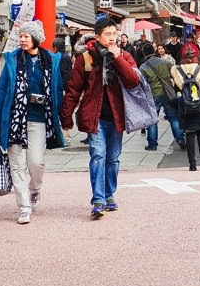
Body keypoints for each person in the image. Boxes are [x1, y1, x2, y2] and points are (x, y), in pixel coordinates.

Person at [61, 16, 142, 219]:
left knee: (113, 159)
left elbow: (133, 81)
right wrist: (66, 117)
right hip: (94, 116)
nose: (112, 38)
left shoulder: (124, 55)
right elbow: (73, 89)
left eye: (114, 34)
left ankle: (108, 194)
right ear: (97, 37)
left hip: (116, 116)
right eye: (108, 34)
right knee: (98, 155)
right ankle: (98, 199)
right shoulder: (85, 59)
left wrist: (118, 58)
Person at [0, 21, 65, 224]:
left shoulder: (50, 60)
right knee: (17, 165)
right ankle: (24, 207)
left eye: (26, 36)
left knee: (36, 162)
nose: (22, 39)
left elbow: (57, 91)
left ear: (36, 39)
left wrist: (62, 117)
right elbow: (2, 92)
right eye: (20, 36)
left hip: (39, 119)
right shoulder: (12, 60)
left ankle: (35, 189)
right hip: (15, 119)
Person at [139, 41, 186, 151]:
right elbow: (174, 74)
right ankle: (180, 139)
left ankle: (152, 144)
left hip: (153, 95)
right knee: (173, 117)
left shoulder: (143, 67)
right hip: (168, 94)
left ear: (144, 53)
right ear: (154, 51)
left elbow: (143, 84)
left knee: (152, 120)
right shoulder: (165, 62)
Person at [172, 43, 200, 170]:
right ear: (196, 55)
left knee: (189, 133)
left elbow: (176, 90)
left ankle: (192, 164)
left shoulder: (177, 70)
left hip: (185, 105)